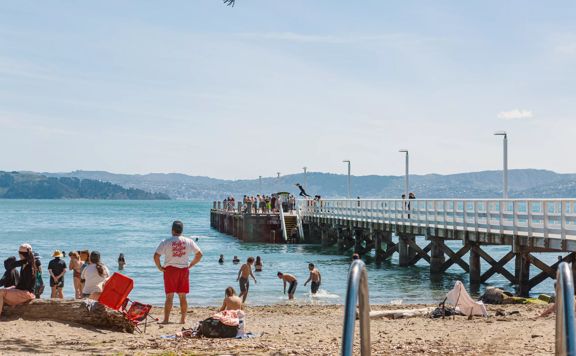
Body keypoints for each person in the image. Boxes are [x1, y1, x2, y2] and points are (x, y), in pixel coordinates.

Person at [154, 220, 203, 324]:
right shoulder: (188, 241)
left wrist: (159, 267)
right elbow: (199, 254)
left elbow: (156, 256)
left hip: (170, 270)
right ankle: (183, 319)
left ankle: (166, 319)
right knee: (183, 296)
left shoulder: (166, 241)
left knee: (169, 296)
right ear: (182, 230)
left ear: (172, 230)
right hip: (184, 269)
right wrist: (192, 264)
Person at [0, 244, 37, 318]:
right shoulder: (26, 264)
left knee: (1, 292)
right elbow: (14, 264)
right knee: (2, 291)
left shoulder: (28, 267)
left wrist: (14, 289)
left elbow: (25, 286)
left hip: (26, 294)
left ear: (20, 254)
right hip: (24, 291)